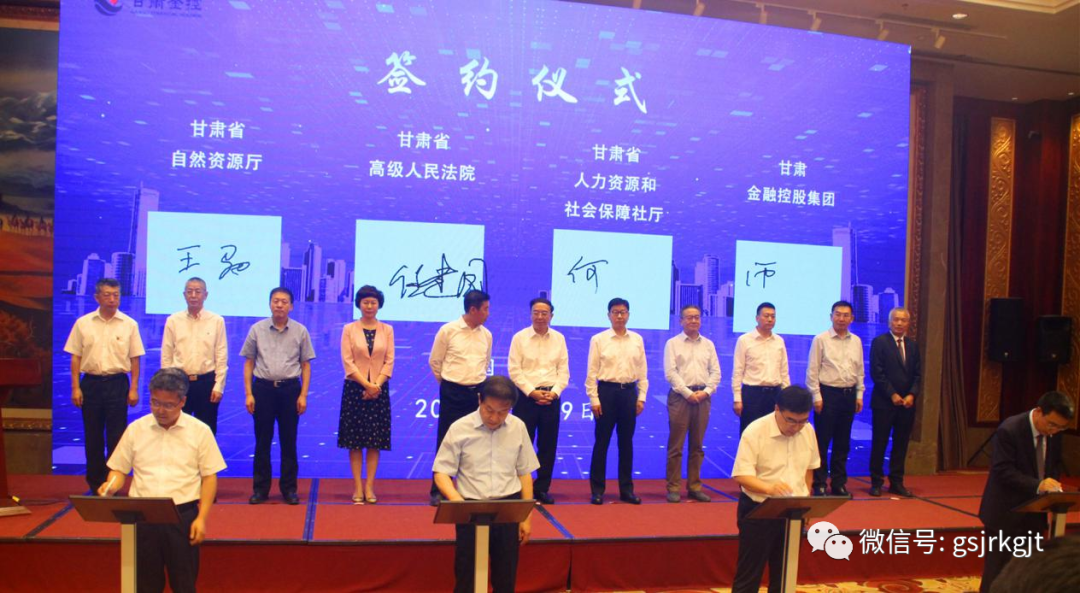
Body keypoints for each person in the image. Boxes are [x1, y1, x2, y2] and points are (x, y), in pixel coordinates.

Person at [98, 367, 226, 593]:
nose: (160, 410)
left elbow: (209, 478)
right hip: (142, 517)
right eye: (155, 403)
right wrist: (111, 485)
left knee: (184, 584)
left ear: (182, 402)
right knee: (145, 585)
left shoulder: (200, 431)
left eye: (168, 405)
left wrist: (202, 518)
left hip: (181, 516)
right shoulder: (136, 429)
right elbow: (118, 469)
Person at [433, 376, 540, 593]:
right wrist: (458, 502)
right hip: (470, 507)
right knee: (467, 576)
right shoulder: (460, 428)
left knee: (505, 576)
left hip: (508, 508)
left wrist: (526, 518)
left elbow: (525, 473)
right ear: (480, 399)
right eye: (489, 410)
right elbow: (441, 472)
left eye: (502, 412)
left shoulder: (518, 427)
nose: (494, 417)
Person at [977, 391, 1073, 593]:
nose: (1054, 430)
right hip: (1005, 512)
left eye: (1060, 427)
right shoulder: (1010, 429)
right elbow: (1003, 470)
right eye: (1052, 424)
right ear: (1038, 412)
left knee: (1027, 572)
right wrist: (1038, 485)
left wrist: (1052, 487)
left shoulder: (1054, 433)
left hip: (1035, 512)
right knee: (997, 572)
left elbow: (1053, 465)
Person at [730, 386, 820, 593]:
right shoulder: (755, 431)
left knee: (785, 574)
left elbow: (809, 468)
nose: (796, 427)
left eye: (802, 421)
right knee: (749, 575)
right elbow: (741, 476)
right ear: (777, 409)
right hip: (758, 510)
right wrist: (769, 488)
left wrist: (806, 501)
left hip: (794, 512)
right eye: (791, 420)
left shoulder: (808, 430)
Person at [64, 277, 145, 492]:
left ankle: (113, 483)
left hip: (118, 383)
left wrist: (134, 388)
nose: (112, 299)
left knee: (117, 437)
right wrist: (75, 387)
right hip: (91, 384)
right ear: (97, 297)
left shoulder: (129, 324)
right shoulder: (83, 323)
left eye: (116, 295)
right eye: (107, 295)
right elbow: (75, 357)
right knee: (93, 435)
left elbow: (135, 359)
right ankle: (95, 483)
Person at [241, 287, 316, 505]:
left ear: (291, 306)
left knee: (289, 441)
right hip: (262, 390)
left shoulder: (300, 331)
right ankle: (260, 489)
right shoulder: (257, 329)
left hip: (290, 390)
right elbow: (249, 363)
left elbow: (305, 366)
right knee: (262, 441)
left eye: (284, 301)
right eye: (275, 301)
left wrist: (303, 395)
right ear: (270, 304)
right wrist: (248, 393)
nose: (279, 305)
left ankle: (289, 489)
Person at [428, 289, 493, 506]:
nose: (488, 313)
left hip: (477, 393)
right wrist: (449, 384)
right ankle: (439, 490)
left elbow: (485, 362)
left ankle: (472, 489)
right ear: (473, 309)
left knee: (476, 442)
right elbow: (435, 362)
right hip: (452, 391)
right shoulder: (448, 331)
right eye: (485, 309)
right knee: (446, 441)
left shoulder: (486, 335)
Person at [586, 297, 648, 505]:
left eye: (623, 312)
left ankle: (626, 490)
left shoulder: (637, 339)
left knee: (626, 443)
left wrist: (641, 397)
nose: (619, 316)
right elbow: (591, 372)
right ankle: (597, 490)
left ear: (628, 314)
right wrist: (594, 399)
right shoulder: (599, 339)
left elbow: (643, 371)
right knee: (601, 442)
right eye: (615, 312)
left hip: (629, 393)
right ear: (609, 315)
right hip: (606, 393)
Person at [507, 297, 569, 505]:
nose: (540, 316)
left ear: (551, 315)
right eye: (536, 312)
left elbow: (564, 371)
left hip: (551, 399)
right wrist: (532, 392)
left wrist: (555, 392)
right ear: (530, 314)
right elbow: (514, 370)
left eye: (544, 313)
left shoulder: (559, 339)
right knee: (520, 446)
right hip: (526, 399)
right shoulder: (519, 338)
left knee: (548, 446)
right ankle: (518, 489)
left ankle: (542, 489)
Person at [339, 285, 394, 504]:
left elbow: (389, 361)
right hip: (355, 388)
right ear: (359, 304)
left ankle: (370, 486)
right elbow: (347, 361)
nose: (369, 306)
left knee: (374, 441)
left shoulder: (387, 330)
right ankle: (358, 487)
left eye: (373, 302)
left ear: (379, 305)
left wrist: (376, 386)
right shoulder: (349, 329)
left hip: (379, 389)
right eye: (365, 302)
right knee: (355, 442)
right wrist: (366, 385)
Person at [663, 304, 721, 503]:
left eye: (697, 317)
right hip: (680, 397)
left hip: (703, 397)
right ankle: (673, 487)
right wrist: (688, 393)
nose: (694, 320)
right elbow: (670, 373)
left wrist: (706, 392)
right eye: (689, 317)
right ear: (681, 321)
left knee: (697, 446)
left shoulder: (708, 344)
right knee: (676, 446)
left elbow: (716, 372)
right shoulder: (672, 343)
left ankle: (695, 487)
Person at [805, 300, 863, 496]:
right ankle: (819, 483)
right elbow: (812, 371)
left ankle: (839, 483)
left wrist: (859, 394)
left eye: (846, 315)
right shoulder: (821, 339)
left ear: (851, 318)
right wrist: (816, 396)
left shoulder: (856, 341)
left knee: (843, 442)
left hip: (848, 395)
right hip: (827, 395)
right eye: (837, 314)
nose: (841, 318)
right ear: (831, 316)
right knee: (822, 442)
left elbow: (859, 370)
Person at [161, 277, 228, 435]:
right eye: (189, 291)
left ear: (205, 295)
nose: (193, 295)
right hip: (179, 382)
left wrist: (219, 386)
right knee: (176, 430)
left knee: (206, 431)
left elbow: (221, 356)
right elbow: (166, 356)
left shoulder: (216, 321)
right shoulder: (173, 320)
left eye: (198, 291)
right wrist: (167, 385)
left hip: (206, 383)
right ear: (184, 295)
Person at [868, 307, 922, 497]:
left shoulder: (913, 346)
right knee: (879, 442)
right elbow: (877, 372)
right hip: (884, 403)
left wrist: (912, 395)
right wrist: (892, 394)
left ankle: (896, 482)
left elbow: (918, 375)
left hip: (906, 405)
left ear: (908, 323)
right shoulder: (879, 342)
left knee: (901, 444)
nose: (899, 323)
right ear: (889, 322)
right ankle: (876, 481)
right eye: (896, 319)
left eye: (903, 320)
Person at [731, 302, 790, 435]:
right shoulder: (744, 340)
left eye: (773, 316)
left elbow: (784, 371)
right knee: (750, 433)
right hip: (752, 395)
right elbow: (738, 371)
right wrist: (737, 398)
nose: (770, 319)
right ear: (757, 318)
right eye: (766, 316)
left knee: (773, 433)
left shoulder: (779, 341)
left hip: (775, 394)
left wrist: (786, 397)